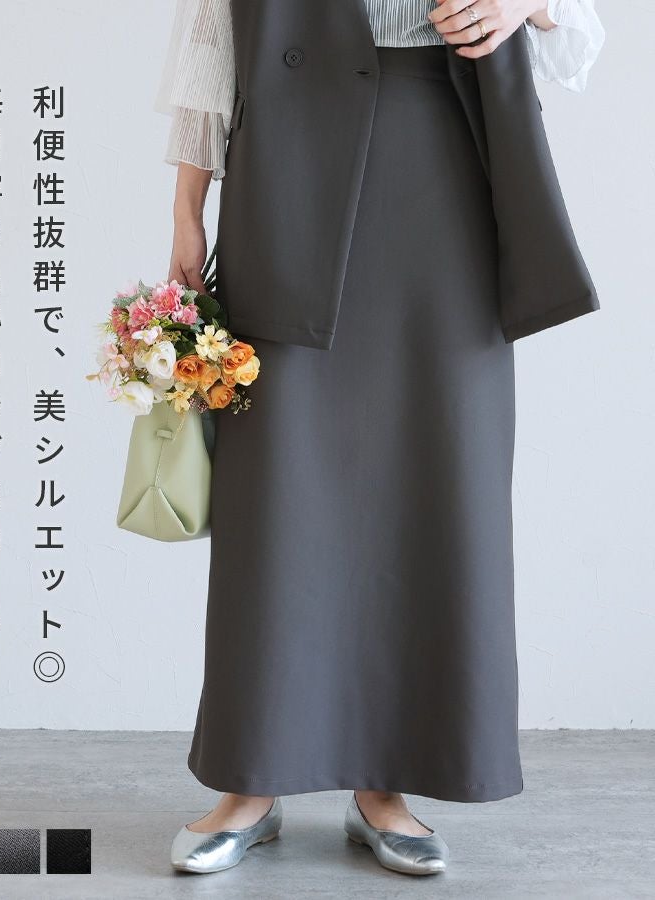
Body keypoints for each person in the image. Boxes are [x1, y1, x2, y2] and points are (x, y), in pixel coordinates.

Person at [155, 0, 604, 877]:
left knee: (433, 468)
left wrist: (529, 3)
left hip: (449, 165)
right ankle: (250, 781)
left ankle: (386, 785)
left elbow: (576, 43)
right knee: (275, 478)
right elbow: (210, 43)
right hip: (286, 168)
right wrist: (185, 211)